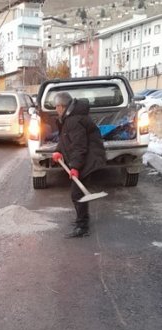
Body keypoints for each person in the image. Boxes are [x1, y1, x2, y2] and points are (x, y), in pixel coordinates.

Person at [51, 92, 106, 238]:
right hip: (85, 156)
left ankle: (82, 226)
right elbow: (65, 139)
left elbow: (79, 146)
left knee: (77, 193)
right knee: (78, 193)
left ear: (63, 106)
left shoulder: (73, 121)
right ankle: (81, 220)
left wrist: (75, 167)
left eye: (57, 106)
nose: (56, 109)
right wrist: (58, 151)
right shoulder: (69, 118)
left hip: (89, 157)